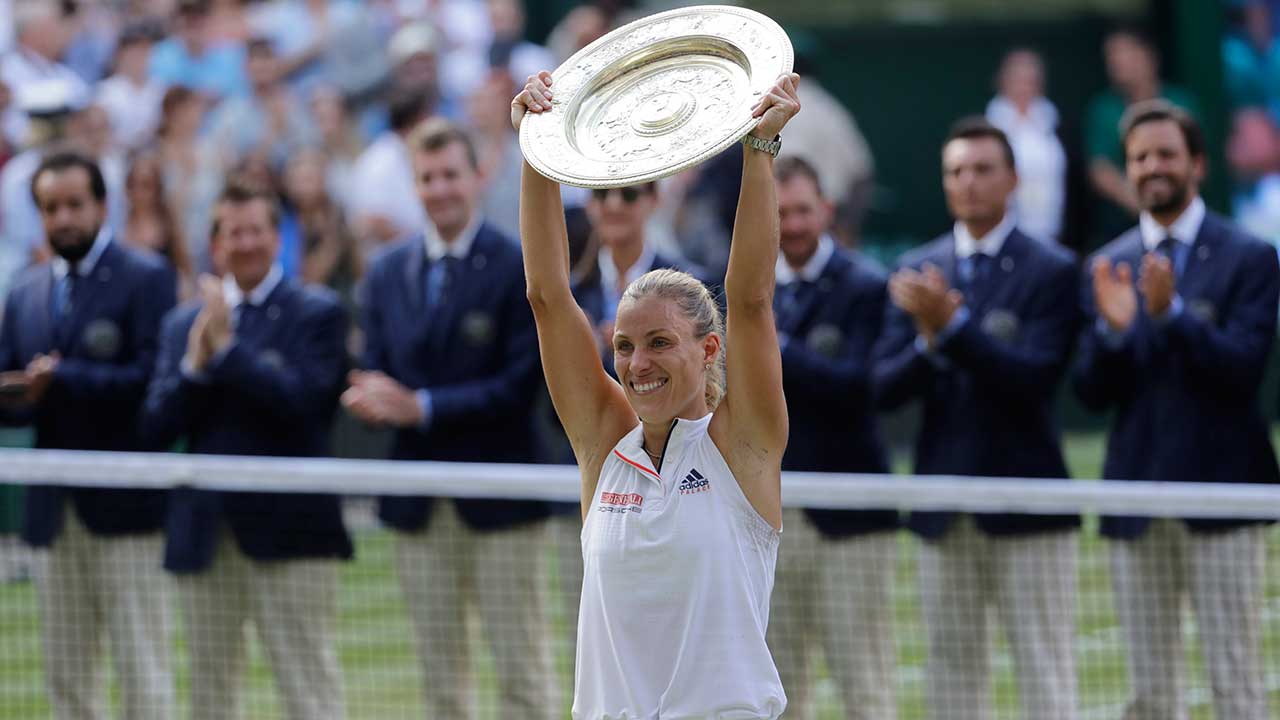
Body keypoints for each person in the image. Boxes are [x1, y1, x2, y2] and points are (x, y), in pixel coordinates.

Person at [513, 69, 799, 719]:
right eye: (623, 346)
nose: (637, 364)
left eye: (660, 343)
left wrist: (760, 150)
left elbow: (751, 300)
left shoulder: (742, 446)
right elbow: (547, 297)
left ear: (708, 350)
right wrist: (539, 151)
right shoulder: (604, 444)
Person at [1073, 99, 1279, 720]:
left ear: (1198, 164)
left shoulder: (1250, 256)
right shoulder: (1106, 264)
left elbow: (1242, 371)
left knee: (1235, 680)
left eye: (1166, 154)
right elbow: (1090, 392)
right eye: (1139, 157)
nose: (1152, 167)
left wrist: (1169, 316)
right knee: (1149, 691)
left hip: (1224, 496)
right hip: (1136, 497)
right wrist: (1115, 333)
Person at [871, 118, 1081, 720]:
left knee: (1048, 676)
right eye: (956, 171)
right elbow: (882, 389)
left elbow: (1034, 379)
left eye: (983, 169)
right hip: (944, 507)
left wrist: (954, 329)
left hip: (1031, 506)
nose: (968, 182)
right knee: (951, 679)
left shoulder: (1053, 269)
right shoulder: (916, 269)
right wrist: (930, 343)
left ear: (1013, 179)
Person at [342, 118, 553, 718]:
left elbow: (519, 386)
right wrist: (376, 399)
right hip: (420, 502)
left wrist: (420, 407)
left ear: (478, 178)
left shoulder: (519, 263)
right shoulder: (386, 273)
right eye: (427, 178)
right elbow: (375, 367)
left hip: (503, 499)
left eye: (450, 175)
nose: (439, 189)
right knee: (439, 679)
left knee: (522, 671)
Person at [142, 181, 353, 720]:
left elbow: (303, 402)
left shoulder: (317, 311)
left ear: (275, 237)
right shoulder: (180, 325)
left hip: (293, 534)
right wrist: (195, 364)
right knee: (210, 695)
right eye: (234, 233)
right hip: (206, 536)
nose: (246, 243)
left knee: (310, 689)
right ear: (216, 244)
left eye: (257, 230)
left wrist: (227, 350)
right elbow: (156, 426)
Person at [0, 151, 176, 719]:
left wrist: (66, 377)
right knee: (67, 675)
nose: (64, 218)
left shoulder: (145, 276)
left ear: (102, 205)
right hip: (54, 515)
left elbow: (153, 382)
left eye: (75, 204)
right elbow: (20, 405)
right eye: (51, 208)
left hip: (125, 513)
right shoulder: (23, 290)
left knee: (142, 670)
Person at [765, 155, 898, 720]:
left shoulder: (866, 286)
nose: (792, 225)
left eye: (801, 211)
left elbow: (862, 387)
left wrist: (780, 349)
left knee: (864, 685)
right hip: (770, 518)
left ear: (825, 210)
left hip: (852, 518)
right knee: (775, 688)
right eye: (779, 214)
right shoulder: (745, 287)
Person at [1084, 29, 1199, 244]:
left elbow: (1197, 160)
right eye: (1111, 57)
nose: (1117, 63)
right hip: (1122, 228)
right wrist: (1148, 207)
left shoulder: (1181, 102)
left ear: (1149, 57)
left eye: (1125, 53)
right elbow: (1100, 170)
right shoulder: (1103, 109)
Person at [985, 48, 1067, 244]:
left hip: (1053, 235)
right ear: (1003, 81)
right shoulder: (990, 127)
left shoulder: (1055, 122)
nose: (1024, 87)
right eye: (1018, 79)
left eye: (1031, 80)